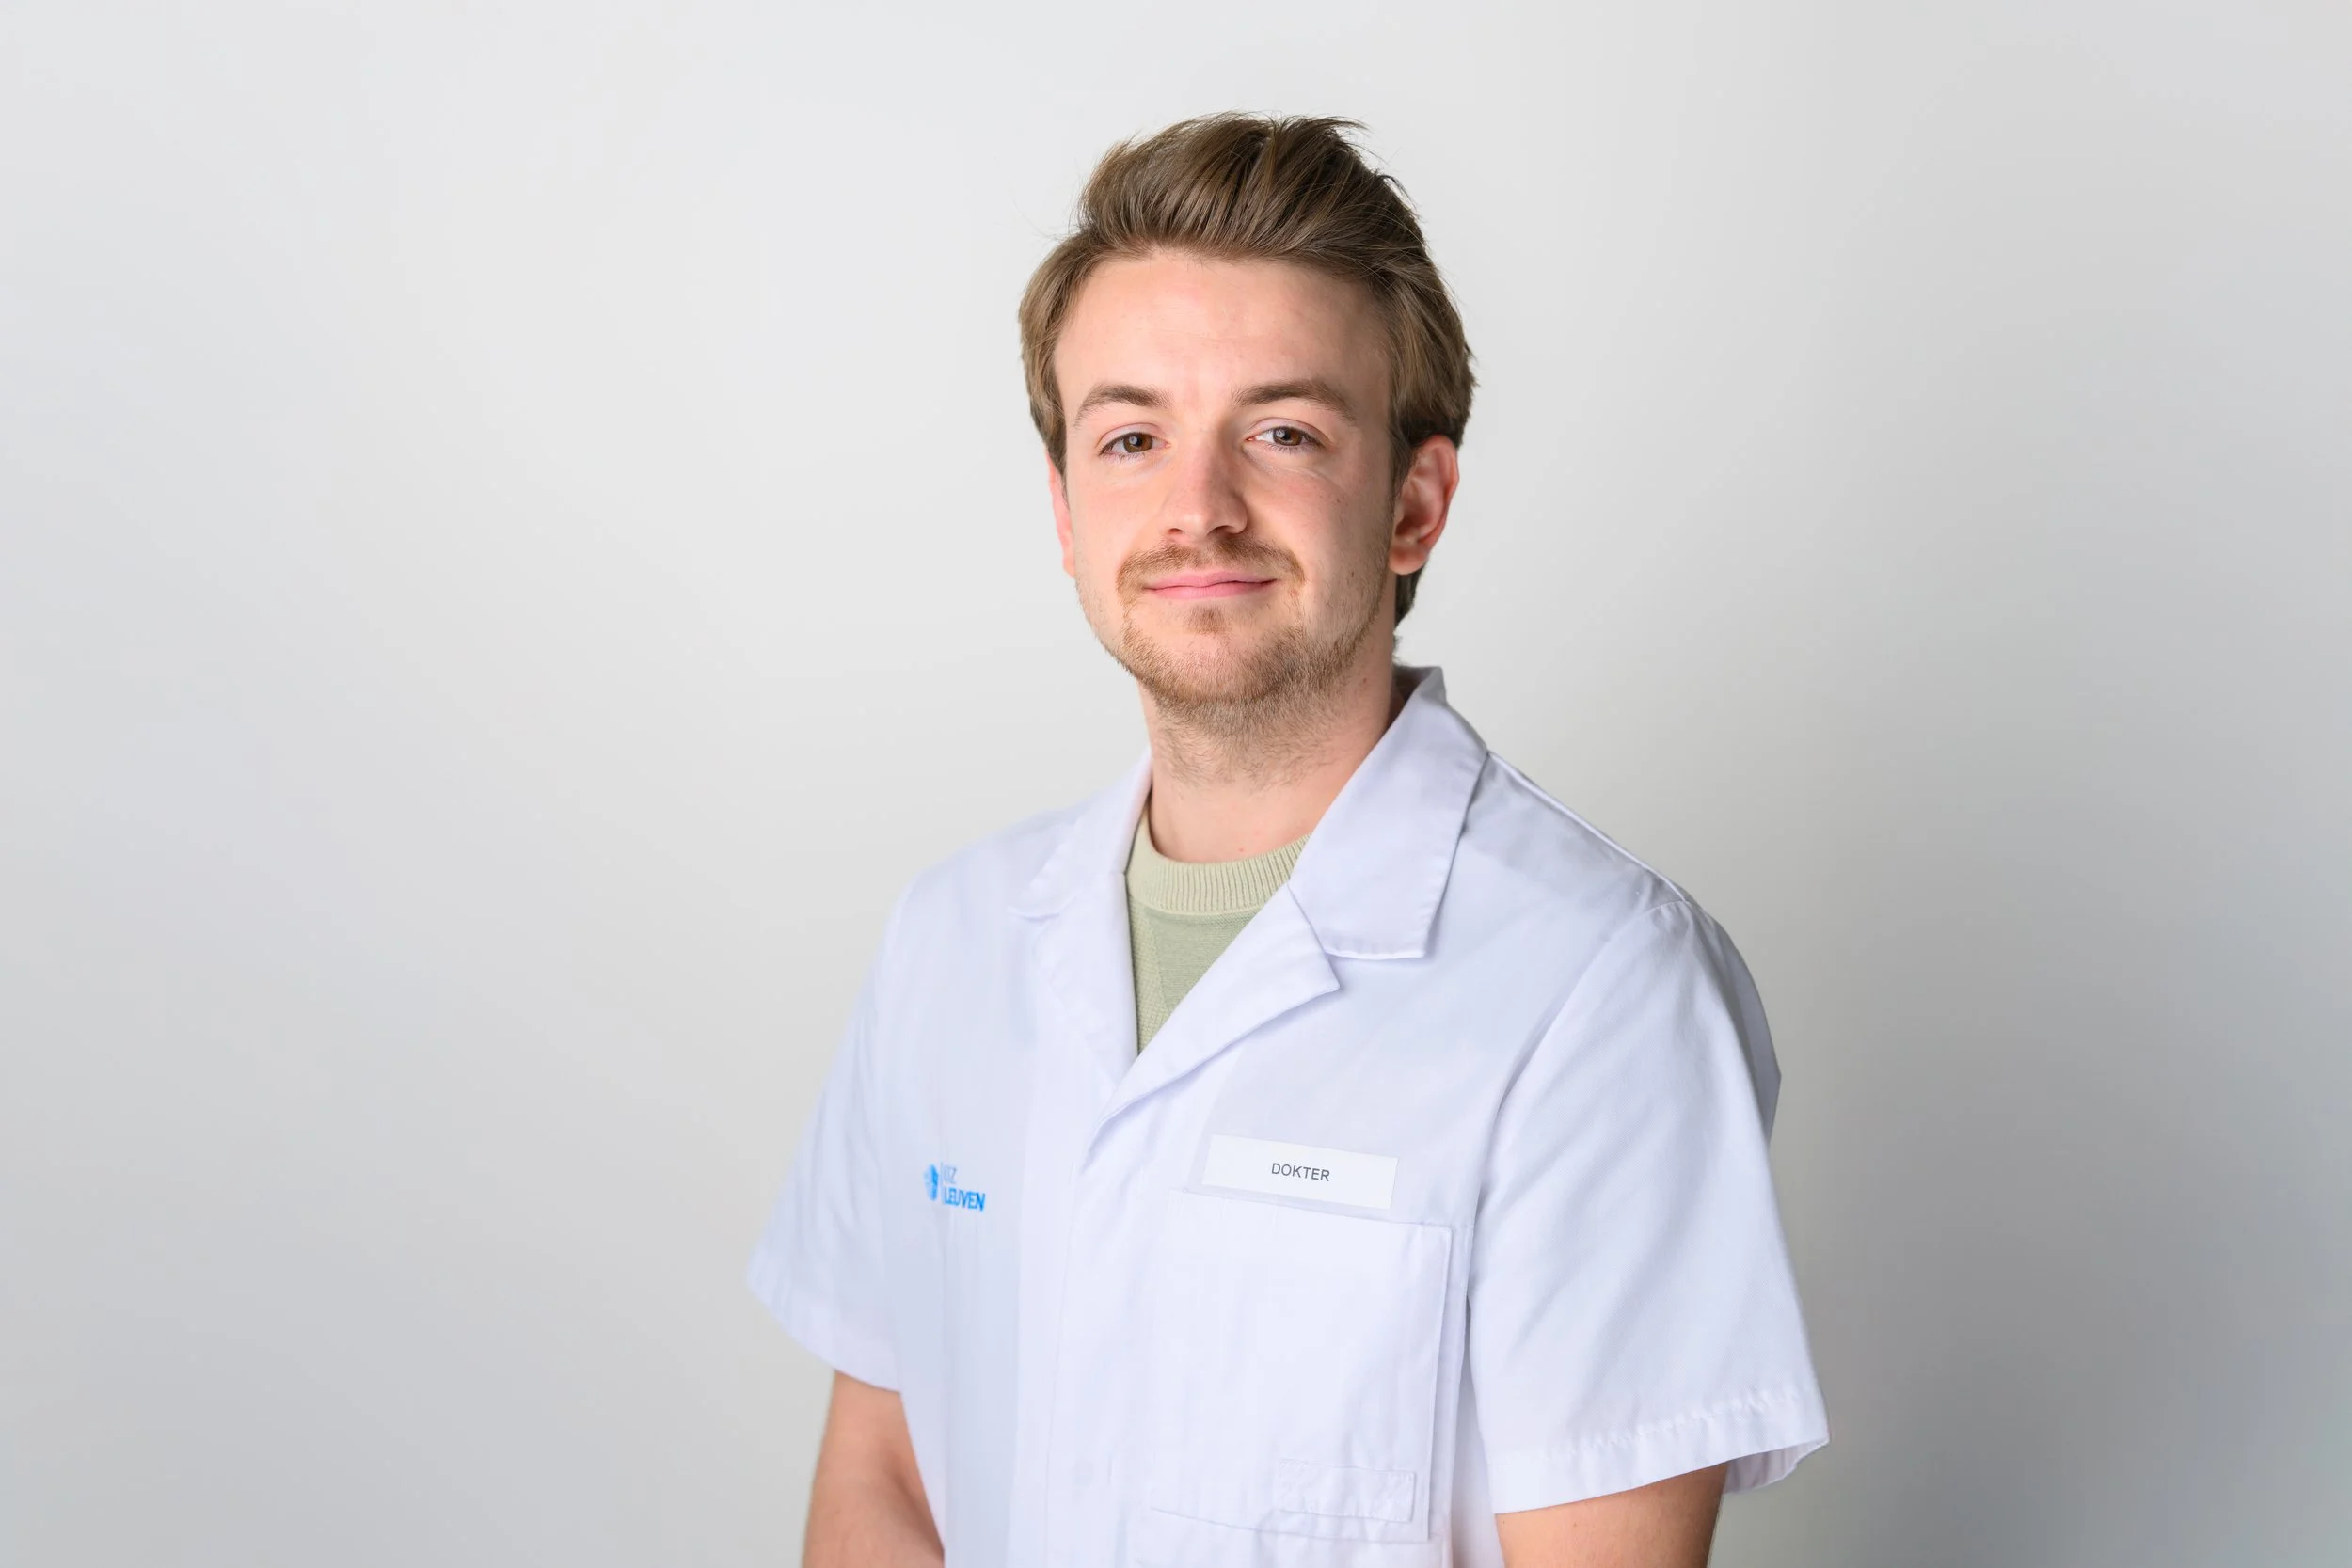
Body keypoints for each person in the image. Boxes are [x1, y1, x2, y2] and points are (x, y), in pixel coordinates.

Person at [747, 114, 1827, 1568]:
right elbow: (885, 1475)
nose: (1197, 509)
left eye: (1284, 433)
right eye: (1132, 438)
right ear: (1065, 511)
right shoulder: (949, 940)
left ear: (1414, 504)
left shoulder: (1602, 989)